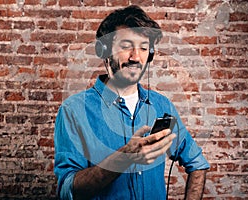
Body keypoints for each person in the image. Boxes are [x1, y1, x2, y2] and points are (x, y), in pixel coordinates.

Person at [54, 5, 210, 200]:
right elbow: (68, 190)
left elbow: (197, 164)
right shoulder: (73, 111)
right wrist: (124, 157)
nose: (136, 57)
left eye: (144, 48)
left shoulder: (161, 105)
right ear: (104, 50)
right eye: (126, 46)